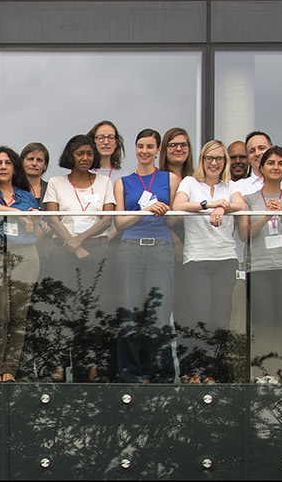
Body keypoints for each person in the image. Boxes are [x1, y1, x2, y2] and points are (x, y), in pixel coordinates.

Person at [42, 133, 117, 382]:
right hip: (64, 252)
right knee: (64, 308)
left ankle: (93, 366)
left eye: (88, 153)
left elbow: (107, 218)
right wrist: (73, 246)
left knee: (94, 309)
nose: (85, 158)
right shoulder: (56, 182)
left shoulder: (105, 182)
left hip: (97, 250)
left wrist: (81, 240)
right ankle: (60, 366)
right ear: (70, 156)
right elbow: (52, 219)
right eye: (80, 153)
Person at [0, 144, 44, 382]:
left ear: (15, 168)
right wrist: (15, 212)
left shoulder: (27, 195)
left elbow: (37, 229)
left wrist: (35, 223)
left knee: (19, 316)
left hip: (25, 253)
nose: (3, 167)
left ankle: (10, 371)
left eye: (7, 163)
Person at [112, 128, 176, 383]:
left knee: (159, 311)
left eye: (150, 147)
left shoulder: (170, 179)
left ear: (158, 150)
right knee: (130, 309)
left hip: (161, 246)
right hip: (131, 248)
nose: (145, 151)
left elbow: (176, 217)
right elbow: (119, 223)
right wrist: (147, 210)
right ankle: (130, 373)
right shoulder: (123, 182)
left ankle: (160, 372)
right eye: (140, 146)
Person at [172, 139, 237, 383]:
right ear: (202, 161)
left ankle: (212, 372)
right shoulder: (190, 182)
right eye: (209, 158)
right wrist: (209, 204)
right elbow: (177, 205)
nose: (214, 163)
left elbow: (240, 204)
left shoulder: (231, 186)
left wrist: (224, 207)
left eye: (219, 158)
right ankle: (197, 370)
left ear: (225, 162)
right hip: (197, 259)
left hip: (225, 259)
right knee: (200, 317)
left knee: (220, 319)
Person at [239, 147, 282, 383]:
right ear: (261, 167)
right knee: (263, 321)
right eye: (271, 163)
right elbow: (244, 234)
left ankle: (276, 372)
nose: (276, 167)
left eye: (281, 163)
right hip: (259, 267)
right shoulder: (250, 199)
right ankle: (259, 372)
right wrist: (265, 215)